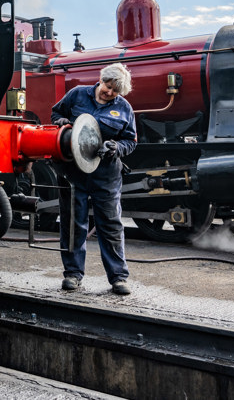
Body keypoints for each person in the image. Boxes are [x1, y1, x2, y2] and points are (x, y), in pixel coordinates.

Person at [51, 63, 137, 295]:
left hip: (106, 174)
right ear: (101, 80)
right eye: (108, 87)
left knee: (110, 225)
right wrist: (60, 123)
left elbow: (131, 141)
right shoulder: (77, 94)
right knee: (72, 224)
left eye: (114, 92)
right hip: (73, 171)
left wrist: (116, 147)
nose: (109, 93)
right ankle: (73, 274)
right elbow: (56, 112)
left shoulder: (124, 108)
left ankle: (118, 278)